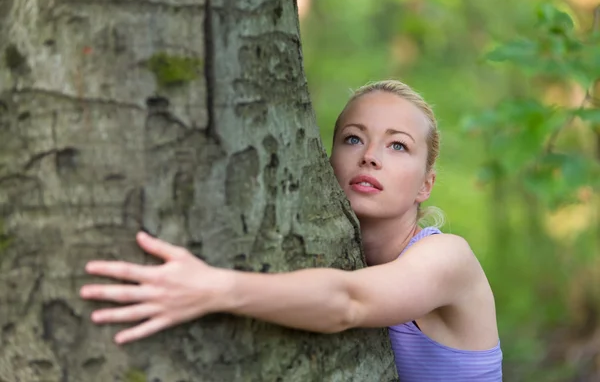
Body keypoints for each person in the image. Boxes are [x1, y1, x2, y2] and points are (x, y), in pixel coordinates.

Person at [80, 80, 503, 381]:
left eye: (398, 145)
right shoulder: (325, 249)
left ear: (426, 185)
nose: (370, 156)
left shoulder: (449, 258)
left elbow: (348, 303)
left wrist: (212, 288)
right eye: (354, 139)